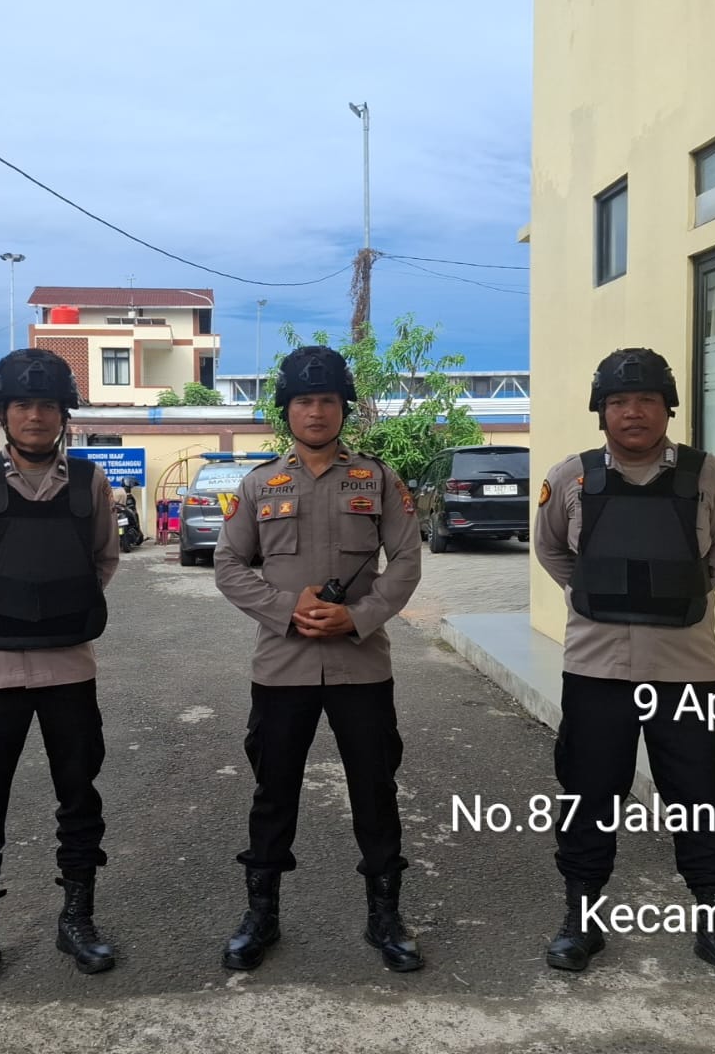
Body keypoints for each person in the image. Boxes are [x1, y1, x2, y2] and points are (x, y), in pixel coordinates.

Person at [532, 347, 715, 988]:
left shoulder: (709, 475)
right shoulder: (571, 477)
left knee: (699, 798)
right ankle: (581, 922)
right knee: (588, 796)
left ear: (668, 409)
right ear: (601, 411)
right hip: (596, 670)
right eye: (618, 402)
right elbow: (551, 550)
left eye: (647, 401)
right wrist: (598, 595)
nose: (633, 412)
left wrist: (669, 595)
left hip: (686, 669)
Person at [213, 345, 425, 972]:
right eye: (304, 400)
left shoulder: (378, 479)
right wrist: (288, 608)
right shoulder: (258, 484)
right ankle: (261, 915)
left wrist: (358, 616)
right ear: (287, 409)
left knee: (375, 789)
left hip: (362, 665)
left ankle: (385, 916)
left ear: (343, 408)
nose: (316, 411)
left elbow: (406, 559)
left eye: (327, 400)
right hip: (283, 666)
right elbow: (228, 564)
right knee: (273, 792)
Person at [0, 347, 121, 997]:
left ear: (64, 415)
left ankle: (77, 920)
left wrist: (55, 612)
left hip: (69, 669)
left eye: (48, 406)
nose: (35, 416)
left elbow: (103, 561)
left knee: (79, 798)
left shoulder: (89, 482)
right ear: (2, 413)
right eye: (22, 405)